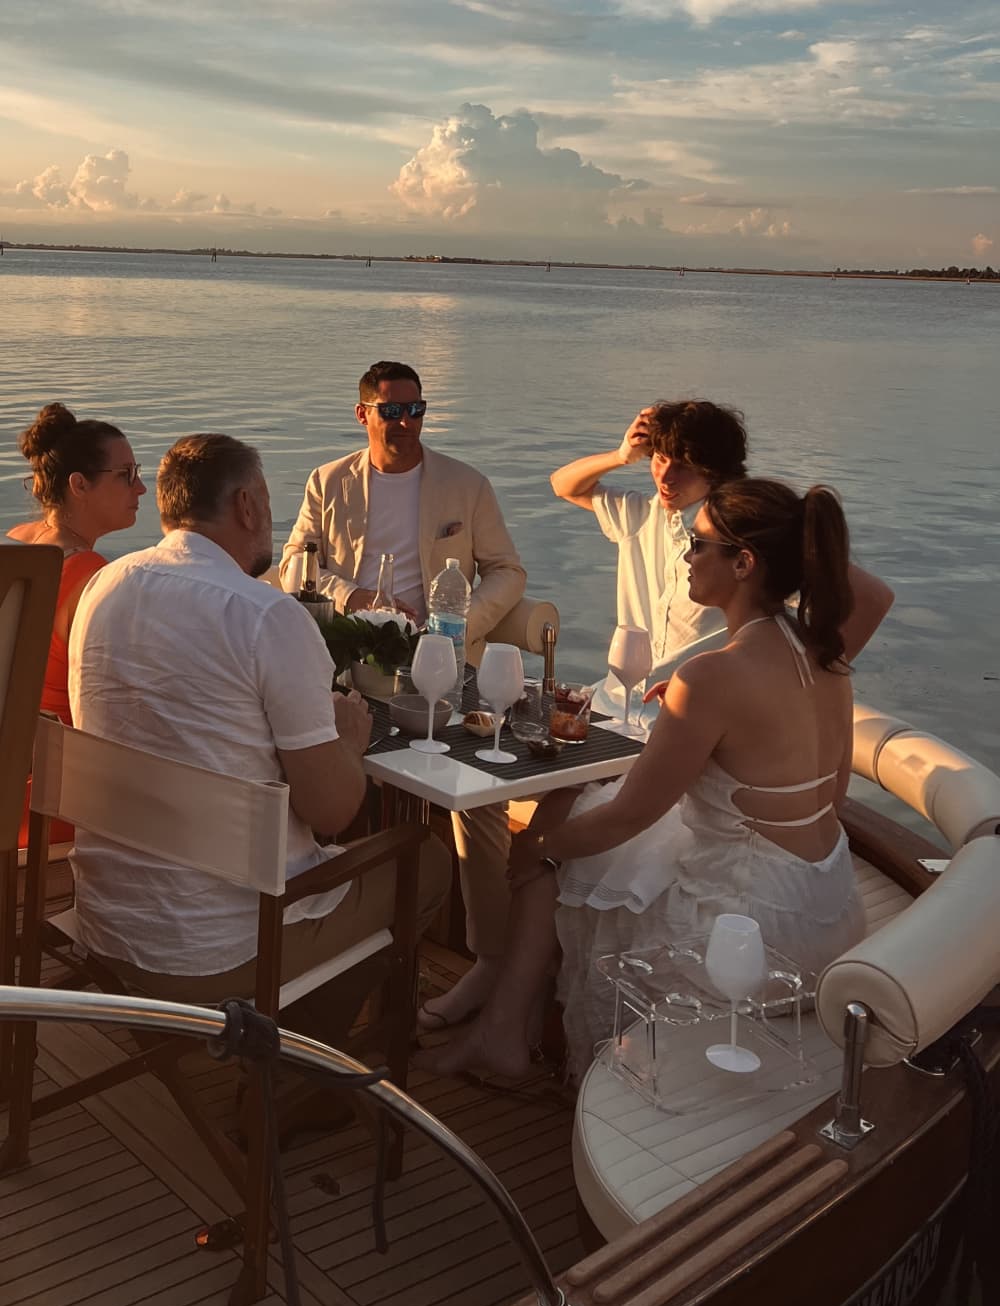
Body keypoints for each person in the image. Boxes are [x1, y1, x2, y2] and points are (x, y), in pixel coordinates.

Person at [422, 478, 865, 1082]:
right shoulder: (825, 655)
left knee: (556, 846)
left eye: (696, 543)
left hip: (746, 939)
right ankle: (507, 1026)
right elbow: (830, 798)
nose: (684, 554)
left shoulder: (713, 676)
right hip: (823, 912)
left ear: (743, 563)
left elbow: (632, 815)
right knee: (579, 825)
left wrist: (537, 846)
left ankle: (503, 1035)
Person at [68, 433, 449, 1038]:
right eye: (268, 502)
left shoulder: (102, 590)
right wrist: (348, 739)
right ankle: (300, 1079)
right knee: (424, 859)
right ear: (247, 506)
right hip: (223, 950)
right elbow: (332, 812)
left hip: (108, 923)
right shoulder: (267, 616)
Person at [280, 361, 527, 1030]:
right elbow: (295, 568)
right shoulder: (327, 482)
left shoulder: (465, 485)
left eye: (416, 409)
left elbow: (508, 569)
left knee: (479, 800)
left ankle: (489, 961)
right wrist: (349, 595)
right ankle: (319, 946)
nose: (406, 423)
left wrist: (460, 625)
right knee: (310, 779)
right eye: (392, 411)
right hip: (347, 669)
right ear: (363, 415)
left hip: (441, 669)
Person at [550, 401, 894, 726]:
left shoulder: (748, 530)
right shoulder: (643, 514)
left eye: (683, 466)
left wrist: (795, 679)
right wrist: (621, 455)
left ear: (715, 472)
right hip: (616, 702)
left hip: (696, 714)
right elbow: (563, 485)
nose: (665, 477)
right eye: (658, 458)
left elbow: (873, 598)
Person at [8, 402, 146, 847]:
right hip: (59, 806)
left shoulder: (15, 544)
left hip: (14, 790)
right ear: (79, 485)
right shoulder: (93, 579)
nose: (141, 488)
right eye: (125, 475)